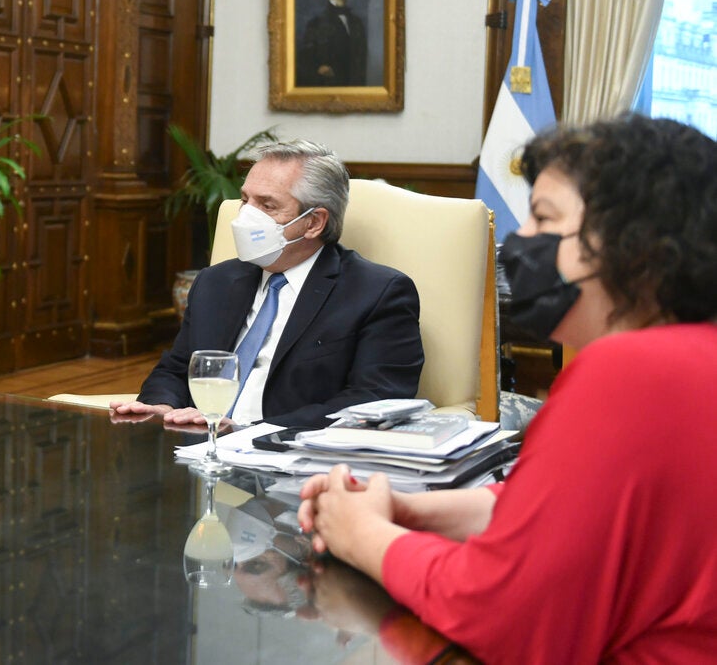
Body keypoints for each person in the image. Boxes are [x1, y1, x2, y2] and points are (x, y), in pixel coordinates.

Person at [298, 115, 717, 662]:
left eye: (544, 218)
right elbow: (569, 513)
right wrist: (412, 511)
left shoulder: (630, 371)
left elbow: (498, 616)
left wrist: (363, 535)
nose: (522, 242)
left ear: (634, 245)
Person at [112, 139, 423, 429]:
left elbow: (371, 400)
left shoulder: (378, 293)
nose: (246, 216)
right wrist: (162, 406)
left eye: (267, 205)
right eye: (245, 200)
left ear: (314, 222)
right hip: (201, 445)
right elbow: (177, 368)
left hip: (292, 455)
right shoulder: (215, 282)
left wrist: (249, 432)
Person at [297, 0, 367, 86]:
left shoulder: (357, 23)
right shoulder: (316, 23)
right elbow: (306, 59)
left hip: (354, 85)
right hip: (329, 84)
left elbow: (361, 57)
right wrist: (319, 68)